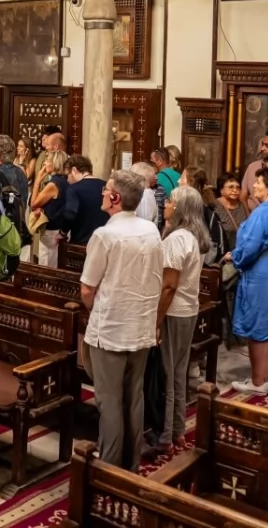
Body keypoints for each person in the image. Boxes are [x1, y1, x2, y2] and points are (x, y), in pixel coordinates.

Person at [80, 169, 162, 470]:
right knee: (134, 396)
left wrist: (95, 308)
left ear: (115, 198)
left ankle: (110, 468)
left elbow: (88, 288)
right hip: (140, 326)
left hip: (111, 328)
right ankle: (131, 463)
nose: (103, 193)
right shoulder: (151, 230)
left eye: (106, 190)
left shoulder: (105, 235)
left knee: (110, 401)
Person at [152, 186, 210, 454]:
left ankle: (165, 434)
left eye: (171, 201)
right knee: (178, 372)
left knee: (168, 373)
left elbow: (168, 286)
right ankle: (177, 429)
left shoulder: (177, 240)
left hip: (174, 311)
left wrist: (156, 320)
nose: (166, 204)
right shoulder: (191, 236)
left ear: (181, 209)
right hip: (188, 310)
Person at [226, 166, 268, 396]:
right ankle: (262, 376)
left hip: (260, 278)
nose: (253, 186)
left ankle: (257, 381)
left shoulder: (262, 213)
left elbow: (249, 247)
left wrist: (233, 256)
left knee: (258, 330)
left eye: (259, 182)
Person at [30, 150, 70, 267]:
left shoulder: (53, 184)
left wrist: (37, 180)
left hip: (51, 230)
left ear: (55, 163)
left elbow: (34, 204)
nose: (44, 164)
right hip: (61, 229)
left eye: (47, 160)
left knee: (46, 263)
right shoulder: (66, 180)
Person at [64, 154, 109, 244]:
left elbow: (70, 214)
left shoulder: (74, 189)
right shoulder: (106, 185)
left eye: (67, 175)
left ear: (74, 170)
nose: (67, 180)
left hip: (81, 242)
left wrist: (62, 232)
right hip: (104, 241)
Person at [211, 173, 249, 255]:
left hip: (239, 252)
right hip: (221, 253)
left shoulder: (242, 205)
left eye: (238, 187)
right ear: (221, 190)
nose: (235, 190)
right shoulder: (214, 206)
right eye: (231, 187)